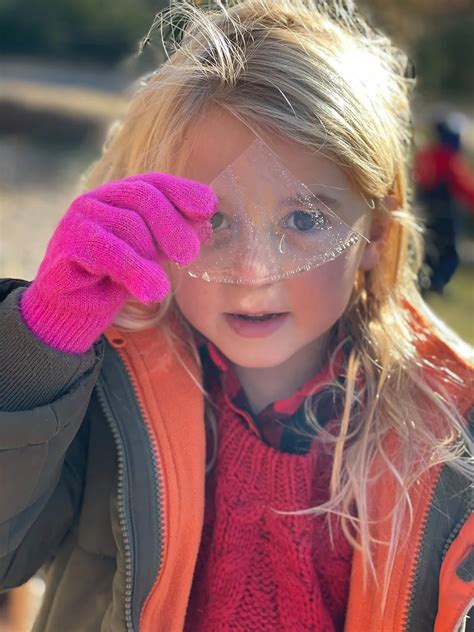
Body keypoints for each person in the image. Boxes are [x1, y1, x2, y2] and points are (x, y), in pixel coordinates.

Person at [0, 2, 472, 631]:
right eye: (213, 220)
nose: (255, 274)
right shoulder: (102, 389)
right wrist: (36, 352)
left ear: (376, 239)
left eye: (304, 221)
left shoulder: (450, 434)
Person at [415, 114, 474, 293]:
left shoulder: (425, 155)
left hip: (426, 211)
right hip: (446, 214)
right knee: (449, 252)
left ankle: (424, 280)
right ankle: (438, 283)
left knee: (427, 247)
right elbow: (463, 186)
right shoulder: (450, 159)